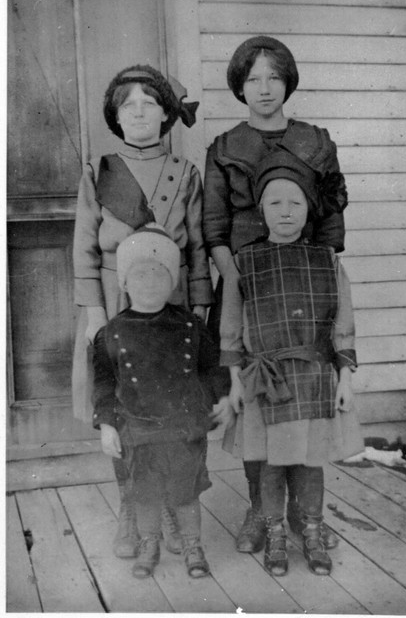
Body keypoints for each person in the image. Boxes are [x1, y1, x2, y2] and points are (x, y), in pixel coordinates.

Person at [203, 35, 348, 554]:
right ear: (239, 87)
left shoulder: (316, 140)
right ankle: (259, 512)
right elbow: (214, 228)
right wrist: (239, 279)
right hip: (248, 287)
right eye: (252, 79)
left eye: (273, 76)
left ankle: (304, 516)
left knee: (303, 406)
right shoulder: (224, 148)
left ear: (288, 80)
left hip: (303, 292)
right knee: (256, 411)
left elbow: (331, 225)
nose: (263, 88)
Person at [72, 64, 214, 559]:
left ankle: (175, 508)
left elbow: (196, 246)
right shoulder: (99, 171)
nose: (138, 112)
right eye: (127, 104)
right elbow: (85, 249)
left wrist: (198, 305)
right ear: (115, 114)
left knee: (171, 406)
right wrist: (94, 315)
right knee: (127, 409)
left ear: (166, 114)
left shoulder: (186, 173)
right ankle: (132, 510)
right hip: (114, 299)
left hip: (171, 303)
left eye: (149, 103)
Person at [218, 147, 363, 577]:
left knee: (310, 462)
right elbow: (230, 327)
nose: (286, 212)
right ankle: (275, 531)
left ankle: (313, 530)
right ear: (260, 210)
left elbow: (343, 326)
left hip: (314, 376)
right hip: (264, 378)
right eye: (275, 203)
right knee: (269, 463)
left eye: (296, 202)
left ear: (310, 209)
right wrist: (233, 382)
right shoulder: (245, 263)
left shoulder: (327, 261)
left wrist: (345, 379)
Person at [92, 224, 216, 579]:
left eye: (159, 273)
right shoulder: (112, 332)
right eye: (140, 274)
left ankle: (193, 545)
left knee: (186, 491)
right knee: (144, 493)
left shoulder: (191, 326)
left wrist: (207, 408)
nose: (149, 282)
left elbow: (211, 372)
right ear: (125, 283)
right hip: (137, 427)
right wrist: (107, 426)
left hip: (182, 427)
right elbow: (103, 383)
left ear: (173, 282)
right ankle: (149, 544)